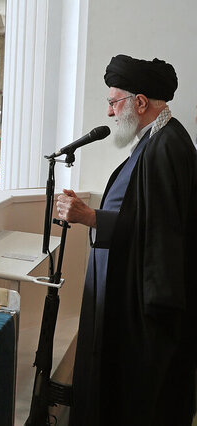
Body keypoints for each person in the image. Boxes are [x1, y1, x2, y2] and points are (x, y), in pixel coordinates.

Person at [56, 54, 197, 425]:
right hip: (130, 302)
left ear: (139, 102)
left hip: (145, 316)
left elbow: (162, 235)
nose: (109, 113)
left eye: (113, 101)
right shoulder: (157, 139)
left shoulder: (167, 147)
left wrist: (89, 217)